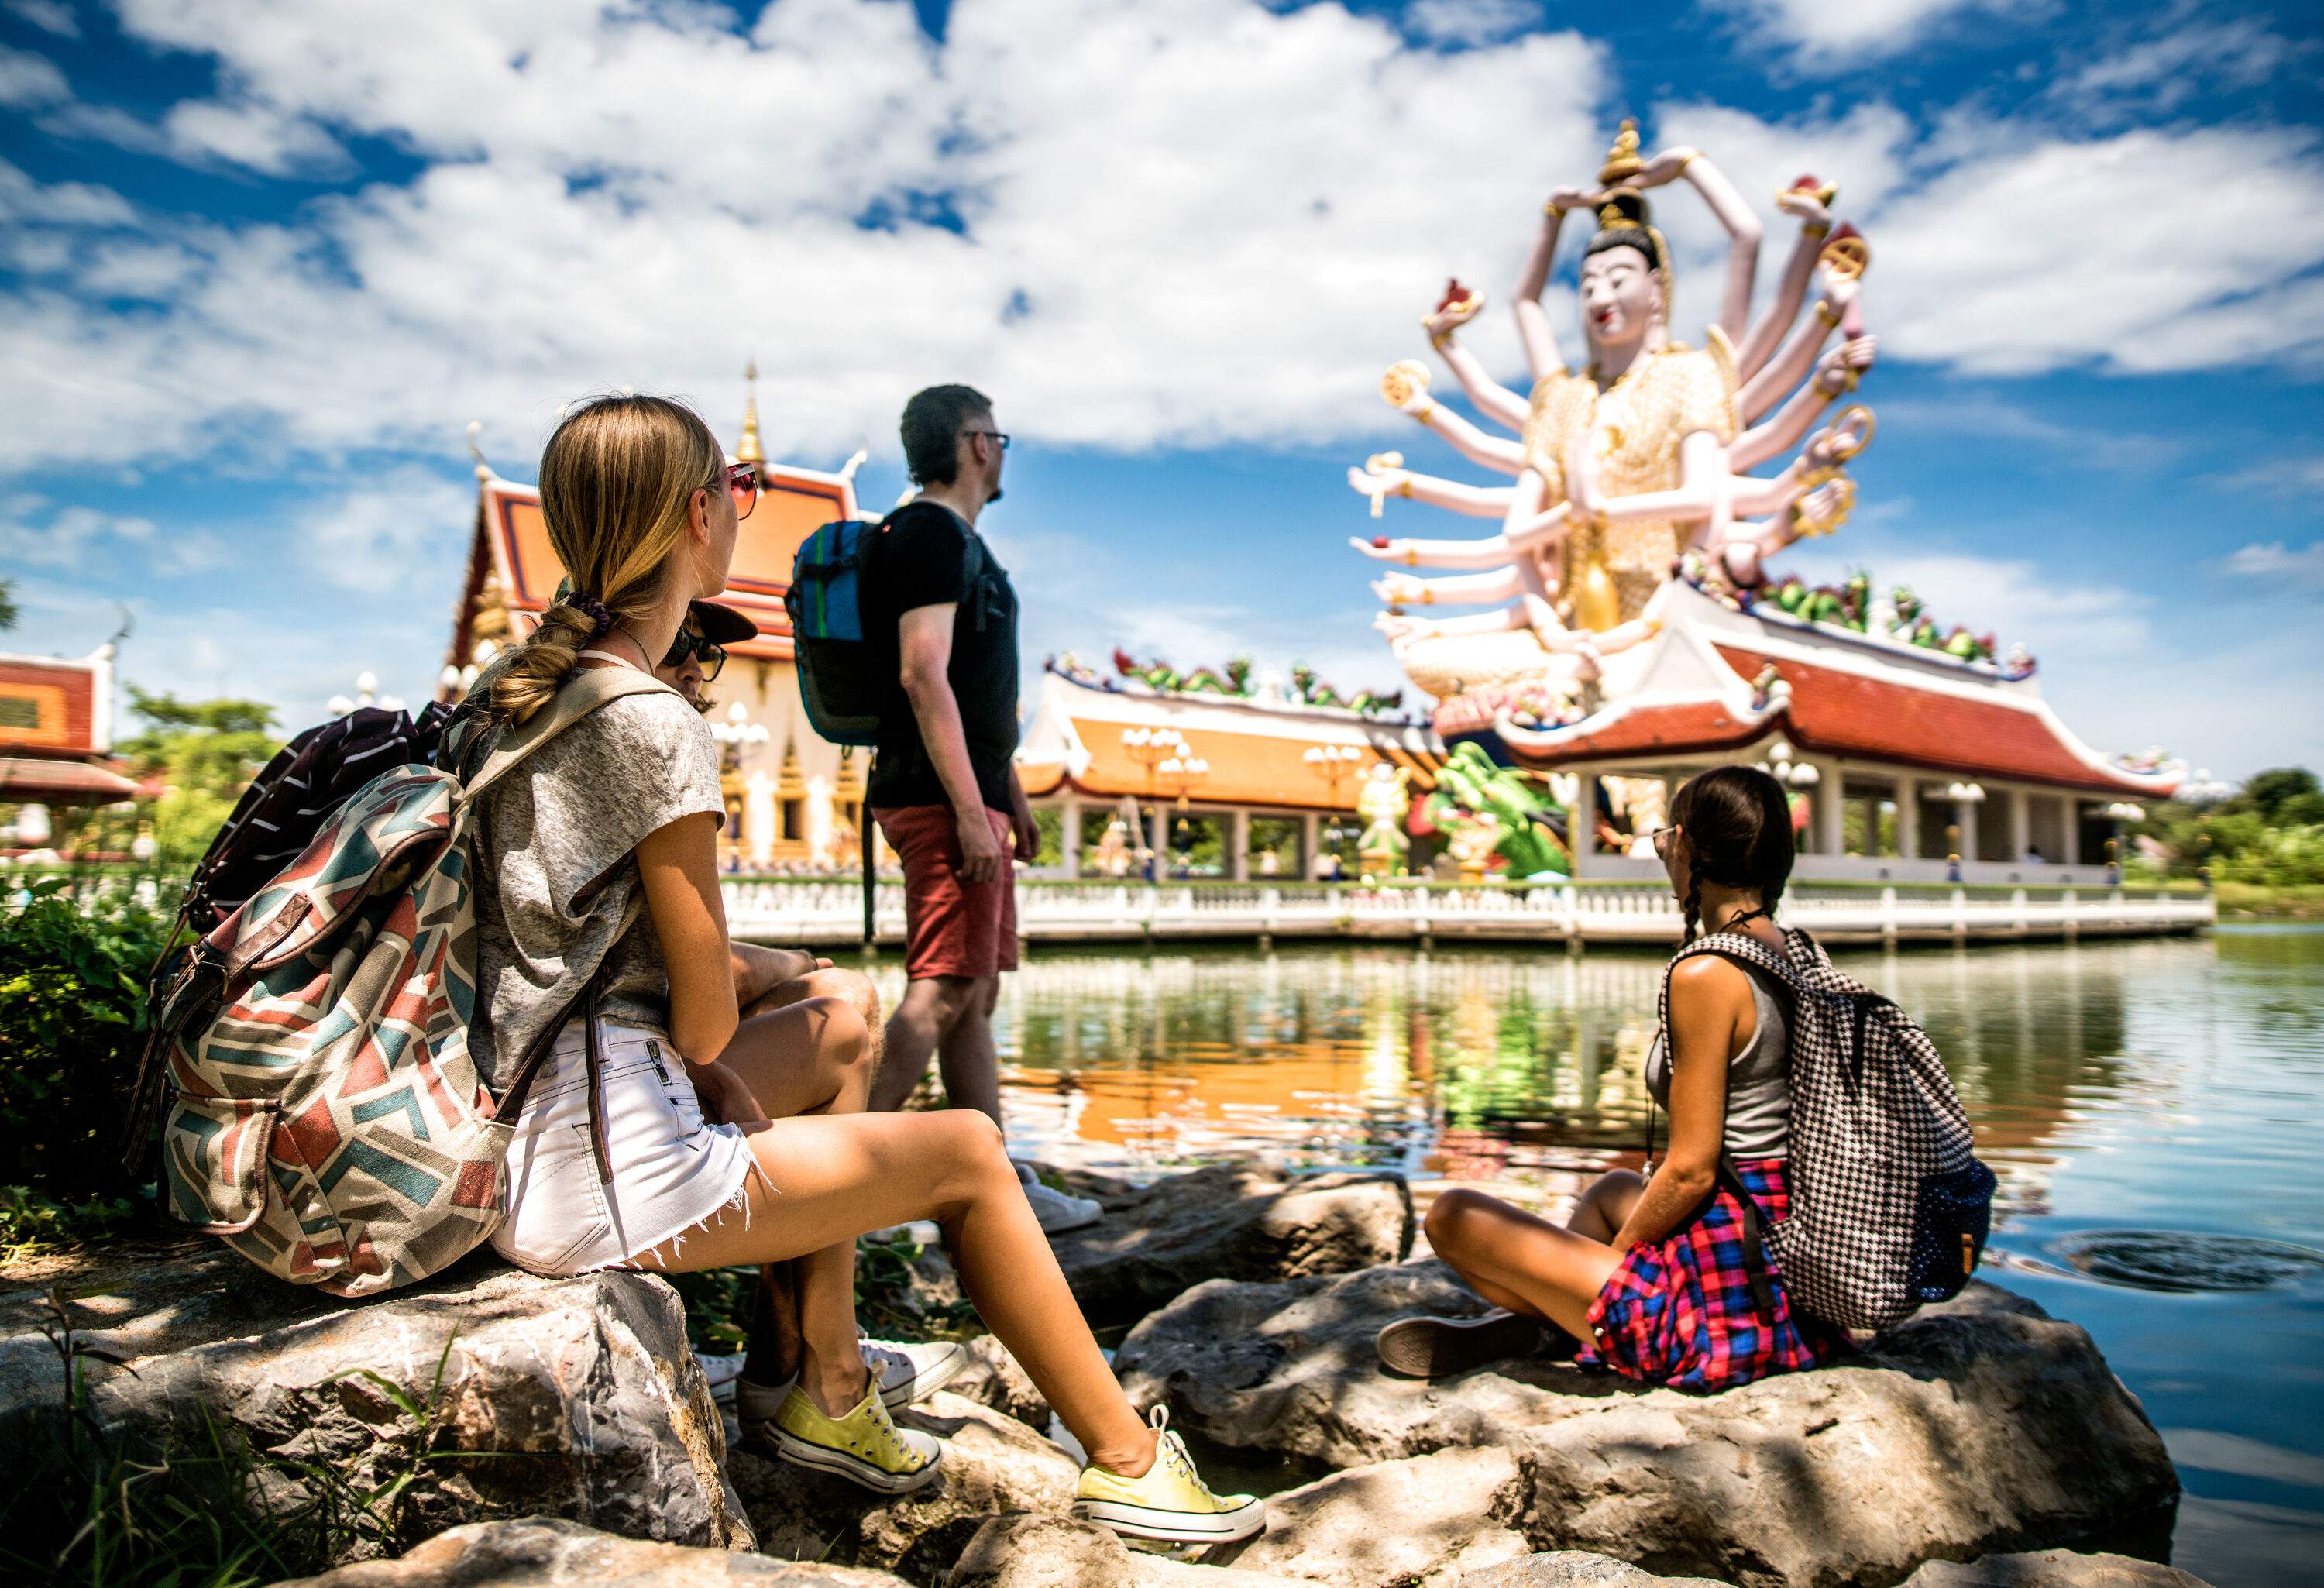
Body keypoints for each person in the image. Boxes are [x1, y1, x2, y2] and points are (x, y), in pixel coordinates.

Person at [456, 394, 1260, 1539]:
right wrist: (723, 1055)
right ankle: (1129, 1461)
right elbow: (693, 1022)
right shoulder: (649, 719)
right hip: (600, 1169)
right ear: (698, 516)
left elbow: (579, 949)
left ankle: (816, 1375)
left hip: (542, 1113)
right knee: (971, 1152)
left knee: (844, 1007)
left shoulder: (521, 696)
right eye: (738, 493)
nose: (746, 512)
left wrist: (771, 979)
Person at [1376, 764, 1849, 1391]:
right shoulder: (1798, 952)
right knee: (1611, 1189)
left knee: (1454, 1214)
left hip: (1728, 1312)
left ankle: (1580, 1321)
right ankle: (1563, 1317)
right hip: (1783, 1251)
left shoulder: (1709, 974)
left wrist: (1612, 1263)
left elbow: (1691, 1170)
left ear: (1685, 847)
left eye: (1664, 840)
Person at [651, 600, 964, 1428]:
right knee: (848, 1011)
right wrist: (792, 969)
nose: (697, 671)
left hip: (612, 1062)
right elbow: (693, 998)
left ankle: (795, 1348)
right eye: (683, 649)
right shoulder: (636, 739)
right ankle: (819, 1361)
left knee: (833, 1001)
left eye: (707, 655)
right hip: (596, 1106)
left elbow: (654, 964)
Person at [864, 383, 1099, 1234]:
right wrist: (969, 809)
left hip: (968, 795)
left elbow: (973, 690)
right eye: (996, 435)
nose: (1000, 450)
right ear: (973, 443)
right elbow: (923, 672)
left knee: (974, 991)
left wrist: (1008, 797)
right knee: (941, 988)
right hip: (938, 798)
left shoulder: (958, 541)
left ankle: (991, 1177)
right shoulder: (928, 532)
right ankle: (841, 1181)